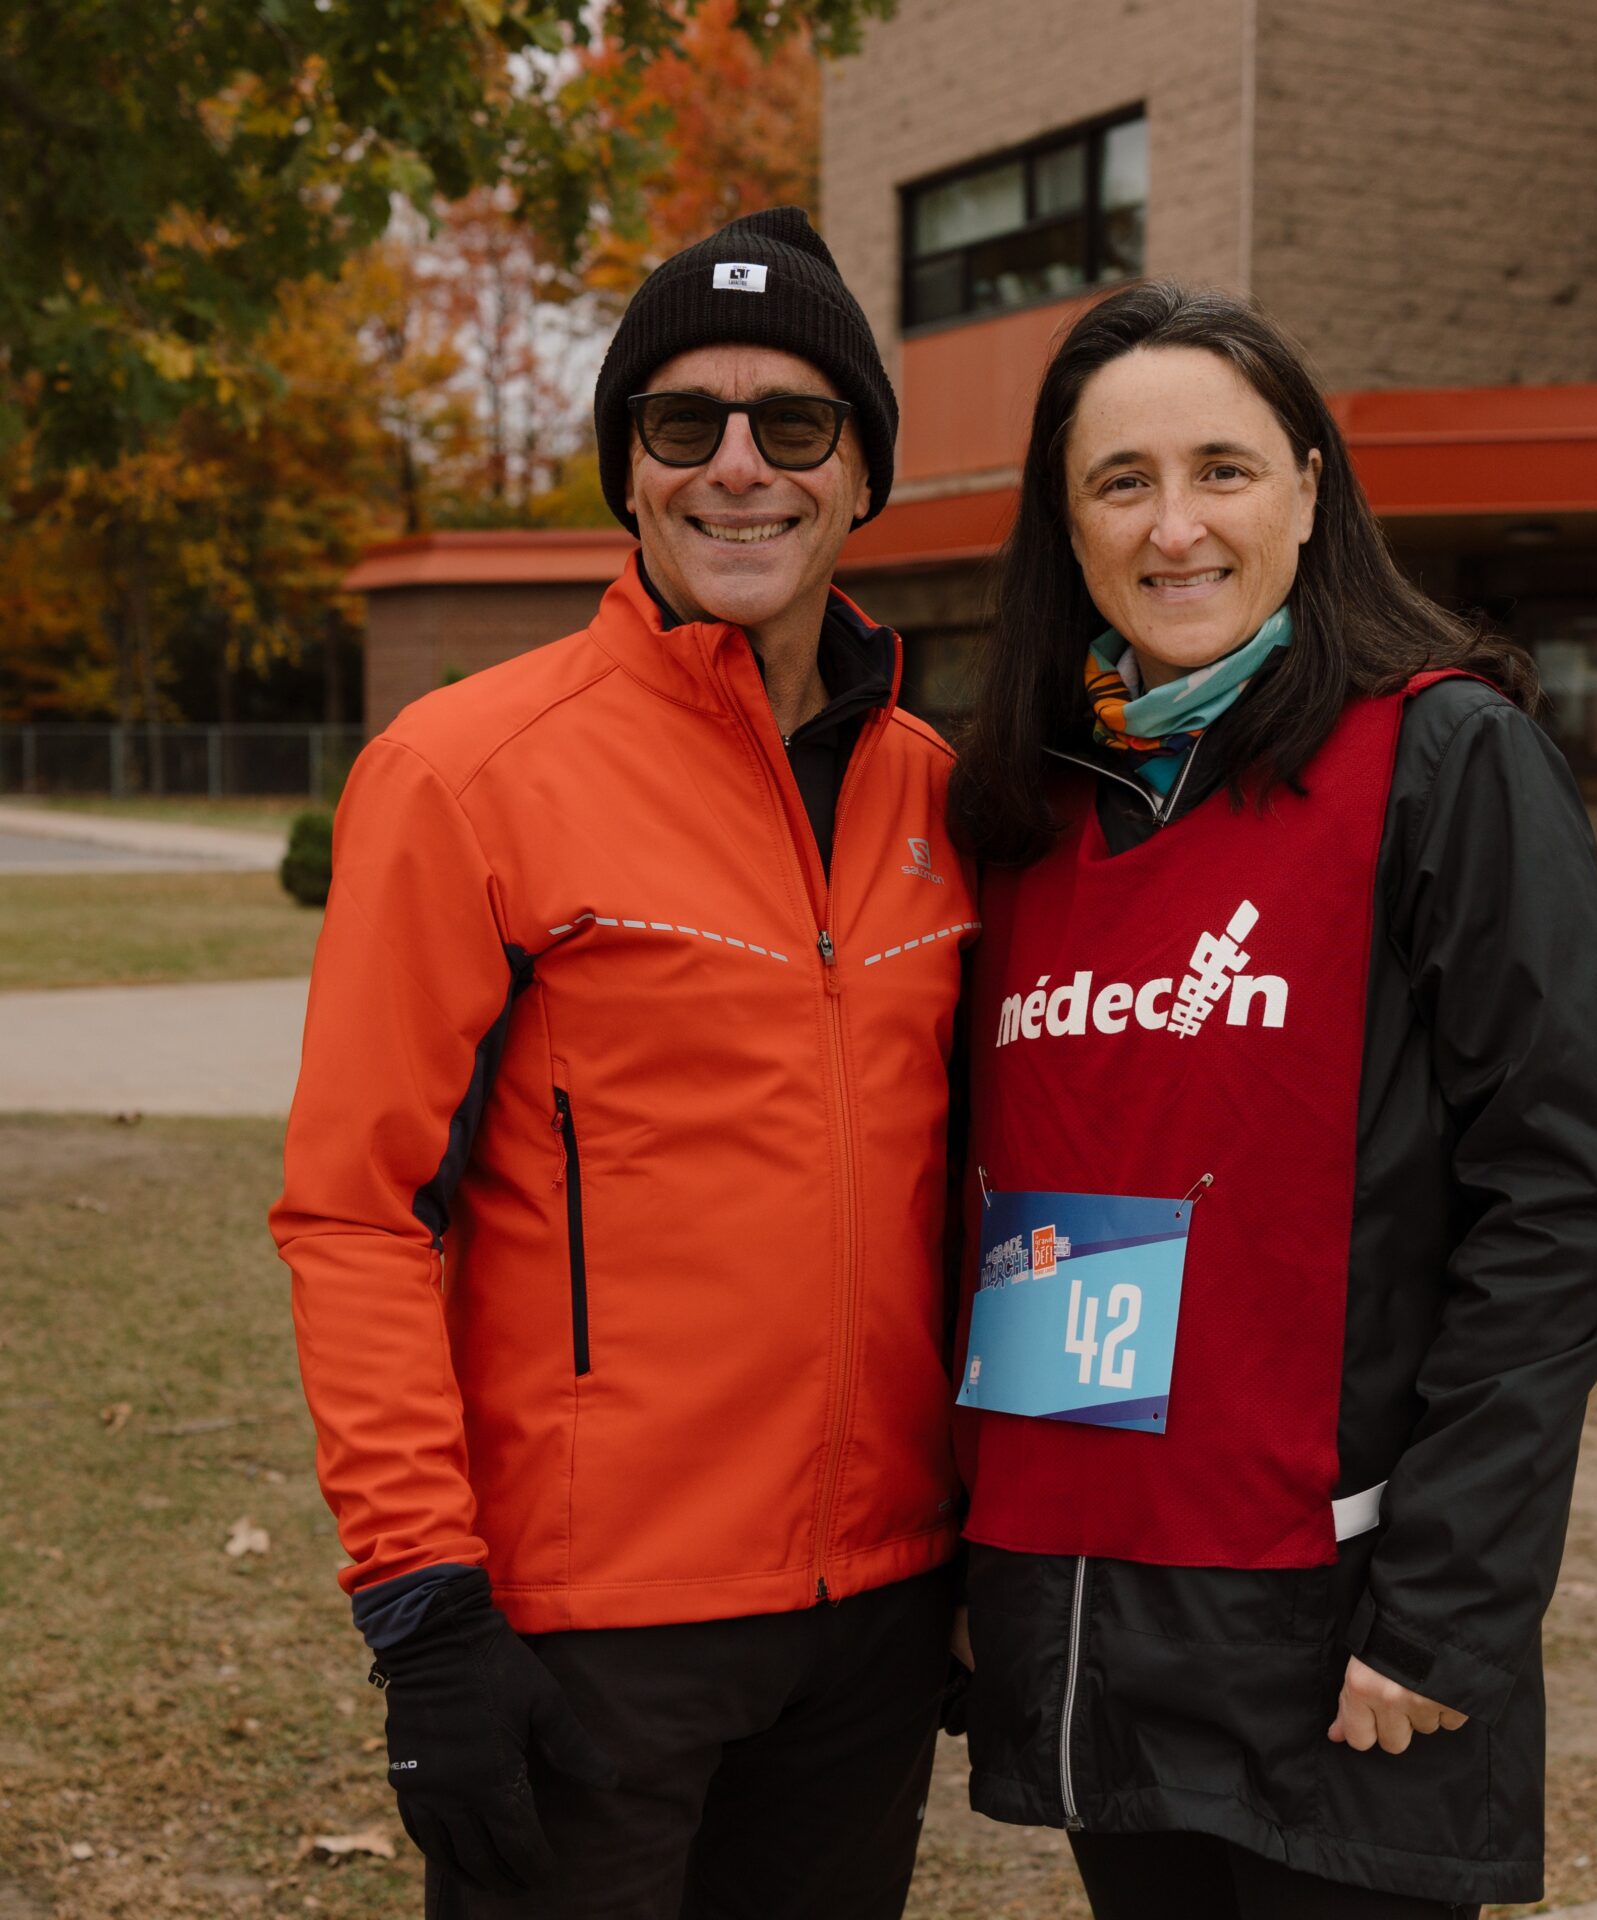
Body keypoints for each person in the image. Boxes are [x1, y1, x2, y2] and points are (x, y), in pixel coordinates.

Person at [270, 207, 978, 1919]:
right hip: (592, 1638)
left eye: (793, 424)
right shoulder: (464, 774)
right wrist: (424, 1606)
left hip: (876, 1618)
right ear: (631, 473)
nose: (739, 468)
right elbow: (354, 1216)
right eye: (684, 426)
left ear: (861, 472)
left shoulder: (941, 793)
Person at [944, 282, 1597, 1919]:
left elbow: (1567, 1207)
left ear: (1312, 492)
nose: (1175, 525)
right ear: (1066, 530)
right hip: (1096, 1620)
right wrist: (992, 1550)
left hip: (1341, 1637)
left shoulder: (1444, 759)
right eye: (1121, 482)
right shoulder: (1026, 810)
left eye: (1225, 468)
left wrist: (1443, 1610)